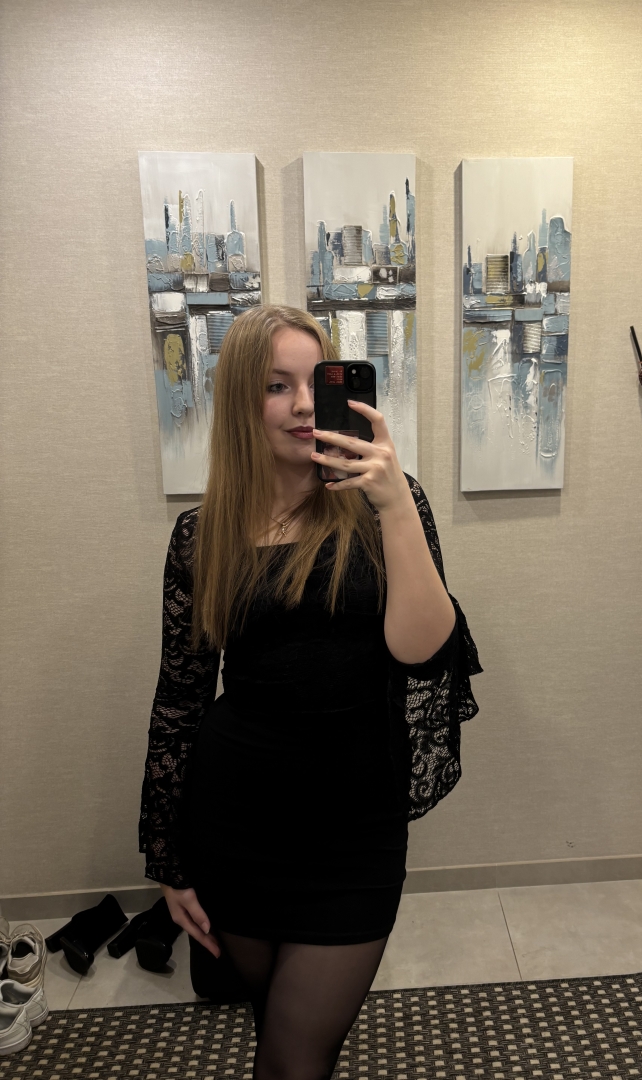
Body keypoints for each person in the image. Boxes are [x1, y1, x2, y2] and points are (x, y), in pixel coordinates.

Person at [139, 304, 481, 1080]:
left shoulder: (388, 503)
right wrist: (168, 856)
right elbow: (180, 700)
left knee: (295, 1057)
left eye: (314, 381)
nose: (301, 404)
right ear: (241, 403)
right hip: (236, 819)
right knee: (276, 1027)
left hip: (354, 824)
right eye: (275, 386)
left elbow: (426, 651)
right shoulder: (201, 535)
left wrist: (393, 505)